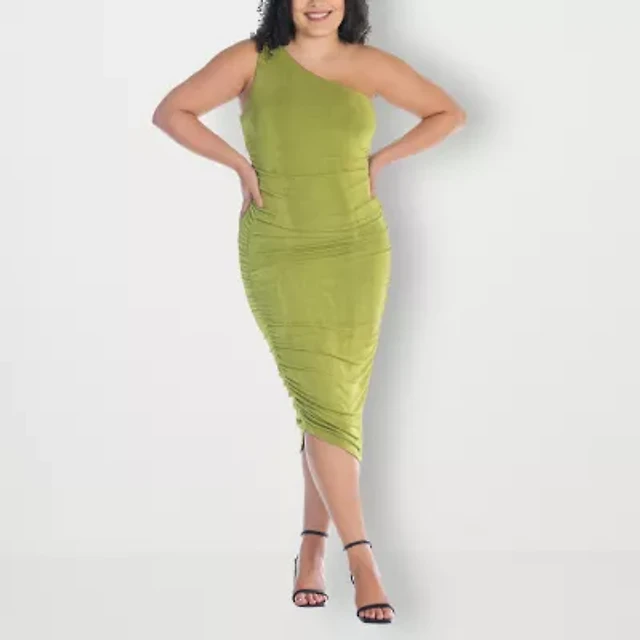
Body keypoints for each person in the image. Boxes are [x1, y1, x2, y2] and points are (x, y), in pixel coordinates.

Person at [152, 0, 465, 624]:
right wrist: (238, 164)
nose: (317, 3)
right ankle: (363, 559)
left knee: (333, 407)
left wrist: (381, 160)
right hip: (281, 245)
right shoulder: (252, 60)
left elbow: (447, 113)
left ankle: (312, 550)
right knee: (322, 398)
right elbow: (172, 112)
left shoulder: (369, 64)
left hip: (356, 248)